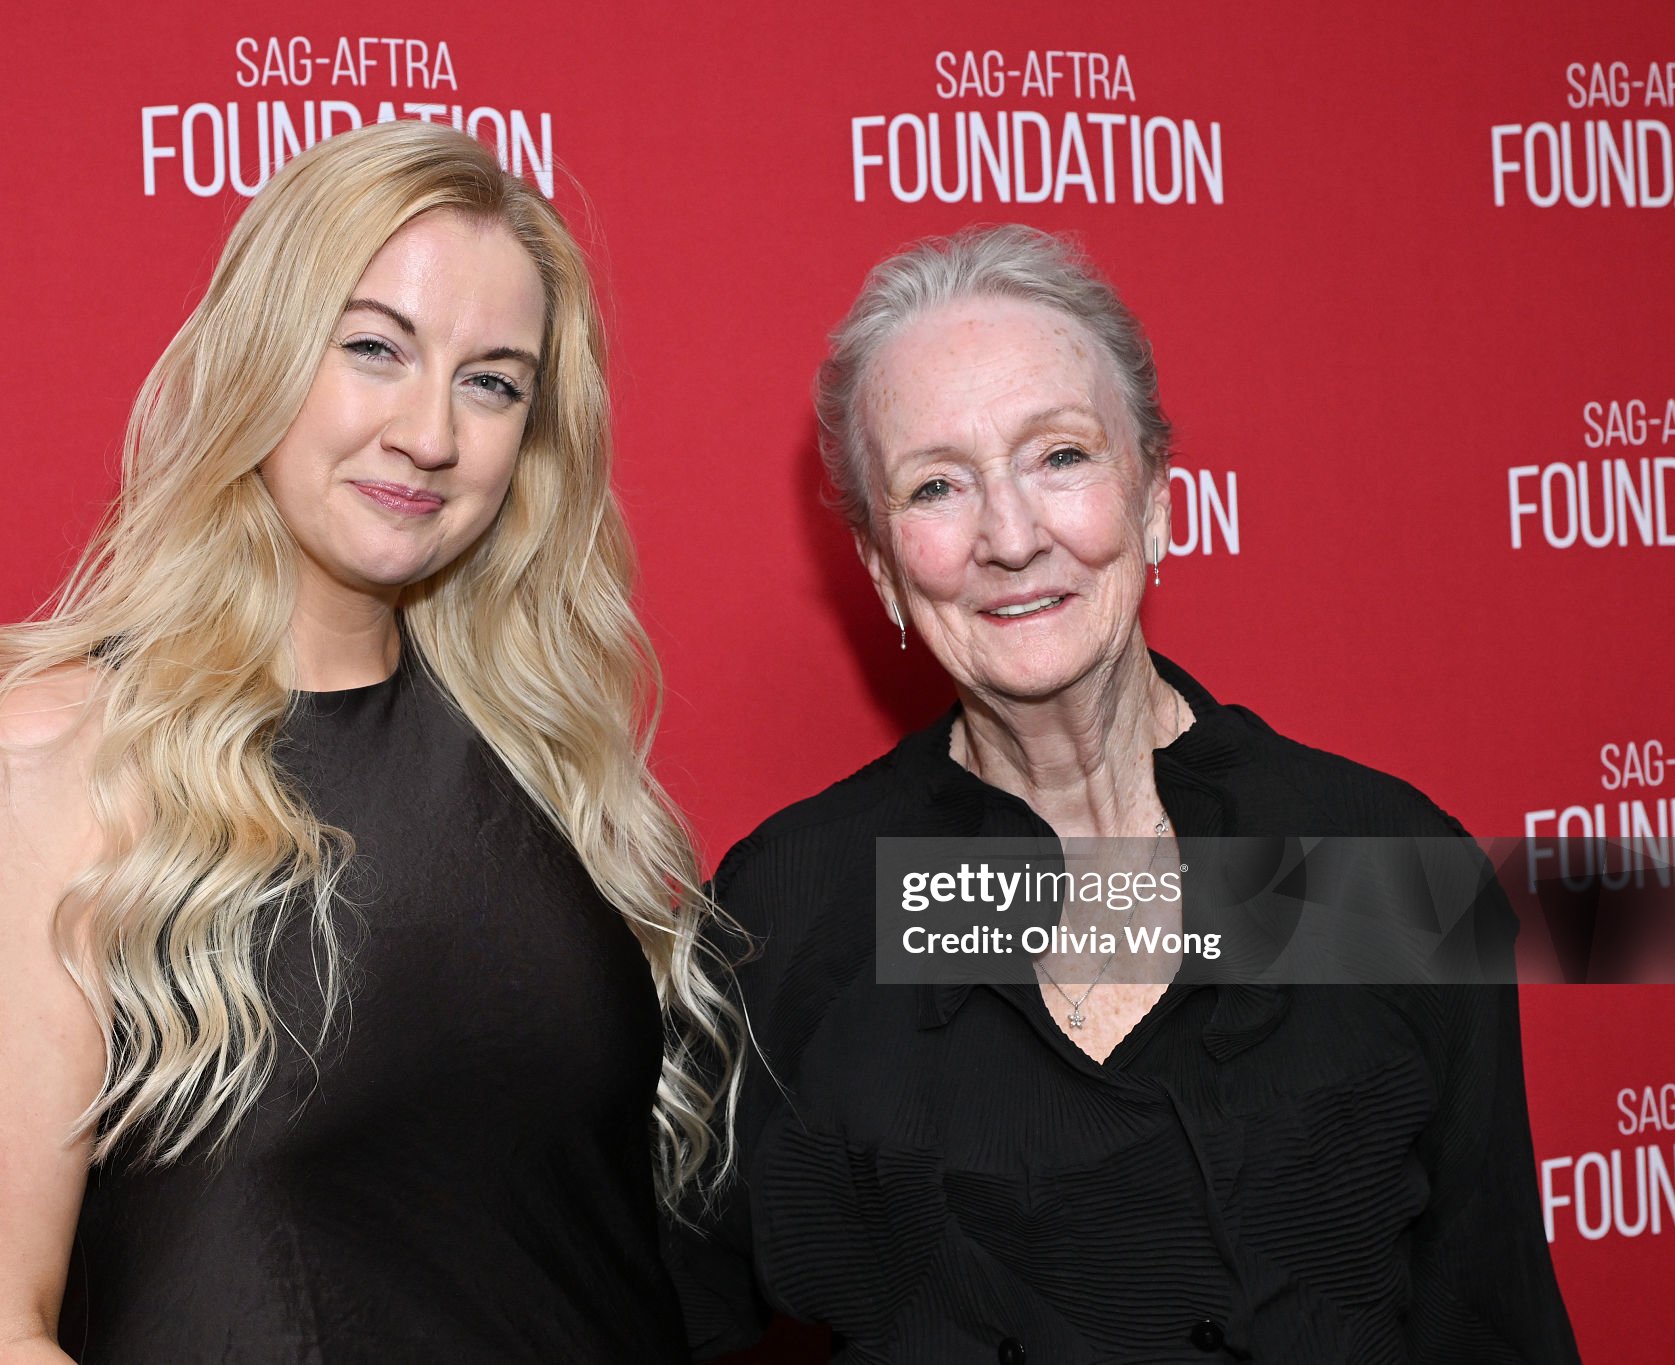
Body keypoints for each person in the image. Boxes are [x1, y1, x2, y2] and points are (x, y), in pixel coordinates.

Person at [0, 121, 738, 1365]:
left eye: (491, 381)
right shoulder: (49, 763)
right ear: (264, 357)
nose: (428, 433)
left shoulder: (551, 770)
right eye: (374, 349)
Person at [667, 226, 1579, 1362]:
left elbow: (1488, 1316)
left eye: (1059, 457)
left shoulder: (1373, 860)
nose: (1009, 536)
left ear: (1152, 496)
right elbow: (644, 1309)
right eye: (936, 485)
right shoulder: (790, 909)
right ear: (880, 567)